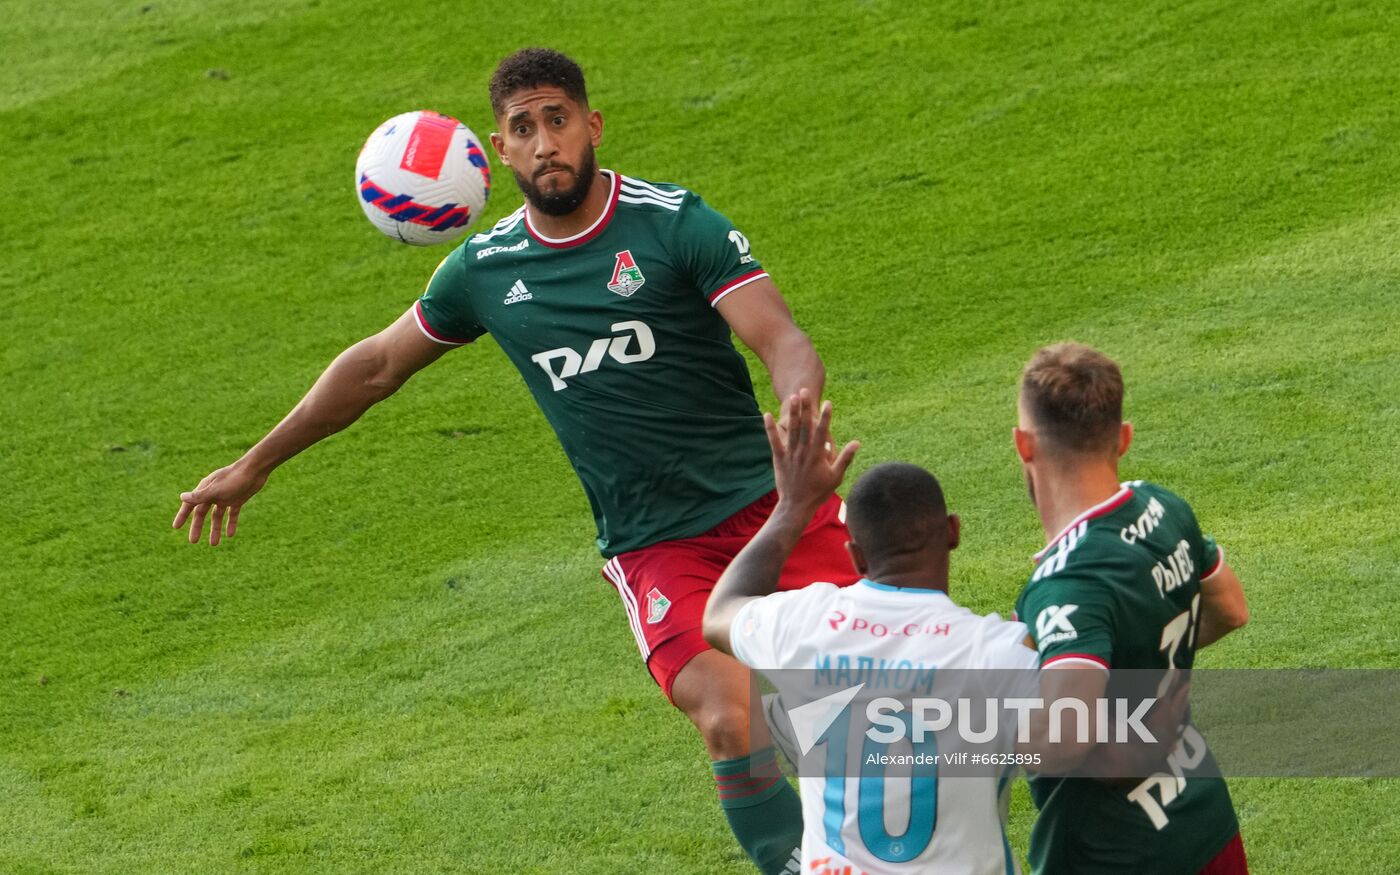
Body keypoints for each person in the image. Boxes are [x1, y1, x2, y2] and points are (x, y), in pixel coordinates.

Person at [171, 47, 859, 874]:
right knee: (727, 712)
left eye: (558, 120)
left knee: (865, 720)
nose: (545, 143)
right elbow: (376, 367)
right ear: (498, 152)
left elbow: (780, 336)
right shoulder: (486, 271)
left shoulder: (673, 223)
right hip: (656, 544)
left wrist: (796, 415)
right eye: (523, 128)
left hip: (774, 505)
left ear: (591, 125)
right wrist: (255, 463)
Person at [704, 391, 1042, 874]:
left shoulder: (803, 625)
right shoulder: (998, 655)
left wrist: (793, 506)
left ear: (856, 556)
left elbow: (720, 612)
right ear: (952, 532)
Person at [1010, 342, 1250, 874]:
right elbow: (1230, 608)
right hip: (1203, 819)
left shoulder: (1065, 585)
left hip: (1114, 853)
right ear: (1123, 437)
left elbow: (1067, 739)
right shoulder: (1164, 507)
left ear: (1024, 445)